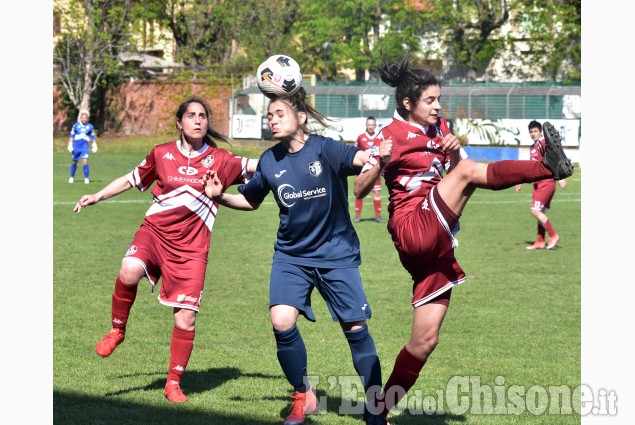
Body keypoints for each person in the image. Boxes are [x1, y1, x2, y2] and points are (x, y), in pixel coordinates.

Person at [353, 57, 574, 422]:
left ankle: (377, 409)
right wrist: (378, 160)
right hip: (412, 227)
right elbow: (360, 190)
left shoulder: (440, 127)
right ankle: (547, 166)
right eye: (430, 100)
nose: (438, 106)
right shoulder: (388, 134)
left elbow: (463, 173)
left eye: (439, 98)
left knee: (424, 342)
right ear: (408, 103)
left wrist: (454, 150)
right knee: (470, 171)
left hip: (435, 242)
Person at [201, 87, 391, 425]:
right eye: (269, 116)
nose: (272, 121)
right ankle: (304, 396)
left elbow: (360, 160)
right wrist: (219, 196)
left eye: (279, 114)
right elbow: (251, 200)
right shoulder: (270, 160)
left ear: (300, 117)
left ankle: (376, 407)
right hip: (291, 257)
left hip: (336, 254)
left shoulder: (325, 148)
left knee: (355, 327)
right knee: (281, 320)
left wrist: (377, 155)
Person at [73, 97, 258, 403]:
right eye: (191, 116)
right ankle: (117, 330)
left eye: (202, 116)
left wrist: (296, 152)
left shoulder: (220, 159)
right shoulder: (161, 153)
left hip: (192, 248)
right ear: (179, 122)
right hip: (155, 234)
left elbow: (258, 165)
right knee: (129, 269)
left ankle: (173, 382)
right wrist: (98, 195)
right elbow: (131, 179)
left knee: (185, 320)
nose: (198, 120)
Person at [516, 120, 568, 250]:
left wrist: (561, 178)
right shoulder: (533, 147)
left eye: (535, 131)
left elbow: (556, 157)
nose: (533, 134)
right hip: (537, 184)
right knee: (540, 211)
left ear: (540, 132)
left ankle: (553, 235)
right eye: (531, 132)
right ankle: (540, 241)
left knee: (535, 211)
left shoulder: (544, 143)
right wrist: (520, 180)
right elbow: (532, 167)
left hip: (546, 182)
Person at [353, 116, 385, 223]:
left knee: (376, 193)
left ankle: (378, 216)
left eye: (372, 125)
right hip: (363, 171)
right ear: (366, 125)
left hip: (375, 171)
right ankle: (357, 216)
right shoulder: (360, 138)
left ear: (375, 126)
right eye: (369, 124)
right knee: (360, 192)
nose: (370, 126)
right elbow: (355, 152)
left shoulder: (379, 138)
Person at [68, 109, 98, 184]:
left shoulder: (90, 126)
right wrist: (70, 143)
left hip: (84, 146)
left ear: (87, 118)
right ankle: (72, 177)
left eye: (85, 118)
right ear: (81, 118)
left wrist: (94, 144)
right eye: (83, 118)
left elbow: (92, 136)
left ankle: (86, 178)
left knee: (85, 161)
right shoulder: (76, 125)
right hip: (76, 146)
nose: (84, 119)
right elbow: (72, 135)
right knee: (74, 161)